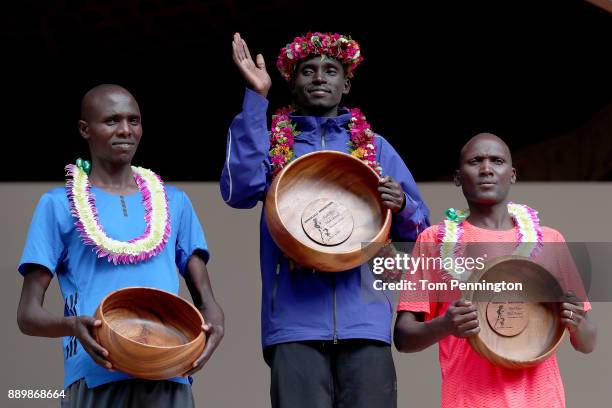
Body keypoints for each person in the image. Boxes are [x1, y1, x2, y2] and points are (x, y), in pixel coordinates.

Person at [221, 32, 430, 407]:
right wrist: (257, 98)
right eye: (308, 70)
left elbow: (421, 237)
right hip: (293, 324)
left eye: (331, 70)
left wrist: (403, 206)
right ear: (292, 81)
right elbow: (238, 190)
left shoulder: (375, 147)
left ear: (346, 84)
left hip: (365, 323)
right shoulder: (271, 142)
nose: (319, 77)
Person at [17, 84, 224, 407]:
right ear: (85, 129)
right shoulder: (58, 205)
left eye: (134, 120)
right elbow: (27, 315)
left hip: (168, 372)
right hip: (97, 372)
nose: (126, 130)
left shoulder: (175, 202)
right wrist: (72, 325)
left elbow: (207, 301)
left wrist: (215, 328)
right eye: (112, 121)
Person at [394, 133, 597, 408]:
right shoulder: (434, 240)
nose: (486, 169)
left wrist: (576, 321)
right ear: (457, 177)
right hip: (468, 401)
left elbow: (587, 342)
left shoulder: (550, 240)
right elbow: (404, 339)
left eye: (497, 161)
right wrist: (445, 325)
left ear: (512, 174)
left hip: (543, 400)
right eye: (475, 161)